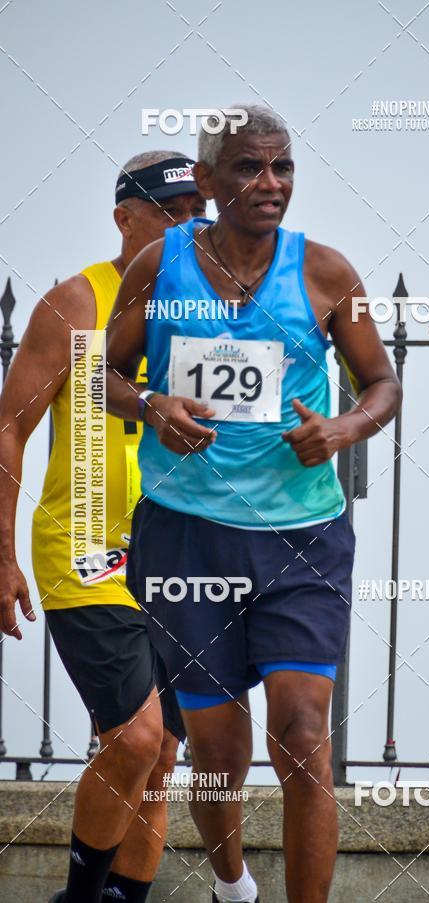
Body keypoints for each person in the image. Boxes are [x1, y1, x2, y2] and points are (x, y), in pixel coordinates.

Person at [105, 105, 401, 903]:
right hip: (186, 537)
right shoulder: (157, 267)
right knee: (216, 752)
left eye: (282, 167)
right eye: (248, 167)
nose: (270, 184)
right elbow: (104, 375)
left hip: (301, 539)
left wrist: (342, 428)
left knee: (303, 737)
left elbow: (383, 382)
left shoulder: (327, 273)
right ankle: (233, 885)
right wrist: (152, 405)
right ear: (206, 180)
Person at [0, 150, 207, 903]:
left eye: (199, 214)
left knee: (163, 756)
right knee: (135, 737)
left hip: (180, 554)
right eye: (173, 213)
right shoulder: (78, 302)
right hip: (88, 546)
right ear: (126, 217)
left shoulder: (209, 309)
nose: (191, 227)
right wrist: (3, 555)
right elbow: (9, 427)